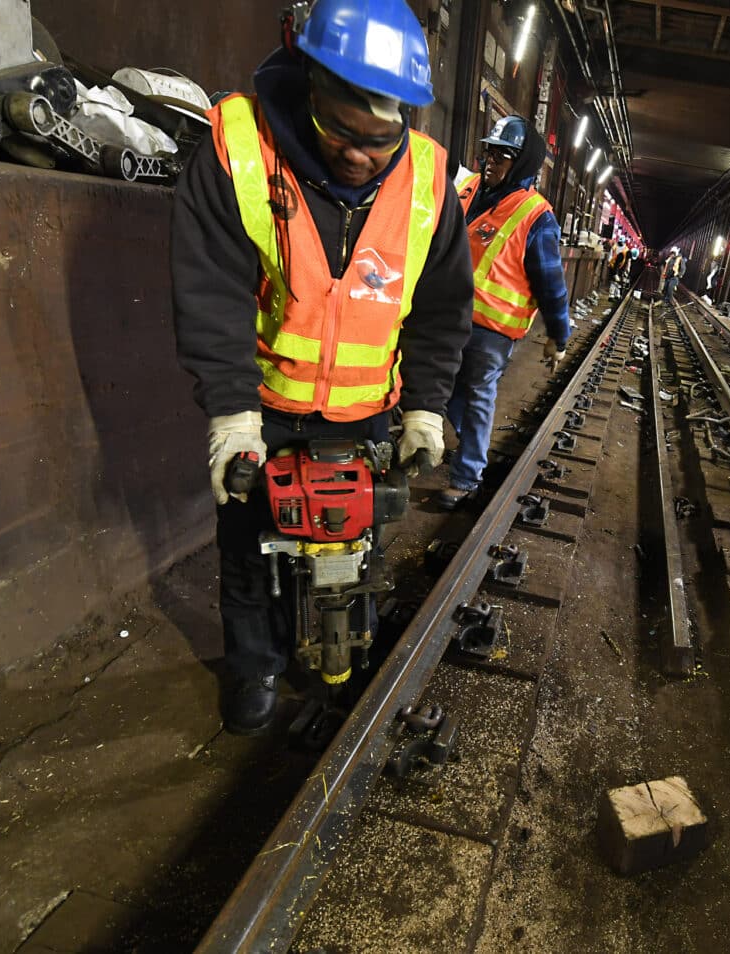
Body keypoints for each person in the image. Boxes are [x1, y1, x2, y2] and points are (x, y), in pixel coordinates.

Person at [171, 0, 473, 733]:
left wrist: (427, 406)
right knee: (249, 552)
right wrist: (232, 413)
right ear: (310, 83)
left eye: (379, 139)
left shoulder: (431, 181)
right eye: (341, 131)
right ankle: (256, 671)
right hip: (266, 407)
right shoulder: (238, 148)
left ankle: (346, 663)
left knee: (355, 539)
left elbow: (440, 308)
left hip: (369, 408)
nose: (359, 154)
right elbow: (208, 290)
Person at [438, 115, 571, 510]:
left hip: (491, 331)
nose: (491, 161)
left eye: (504, 156)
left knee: (478, 395)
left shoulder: (536, 215)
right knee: (440, 388)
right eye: (490, 152)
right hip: (446, 318)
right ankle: (468, 449)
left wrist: (557, 336)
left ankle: (467, 478)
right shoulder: (467, 187)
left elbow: (551, 282)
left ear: (524, 162)